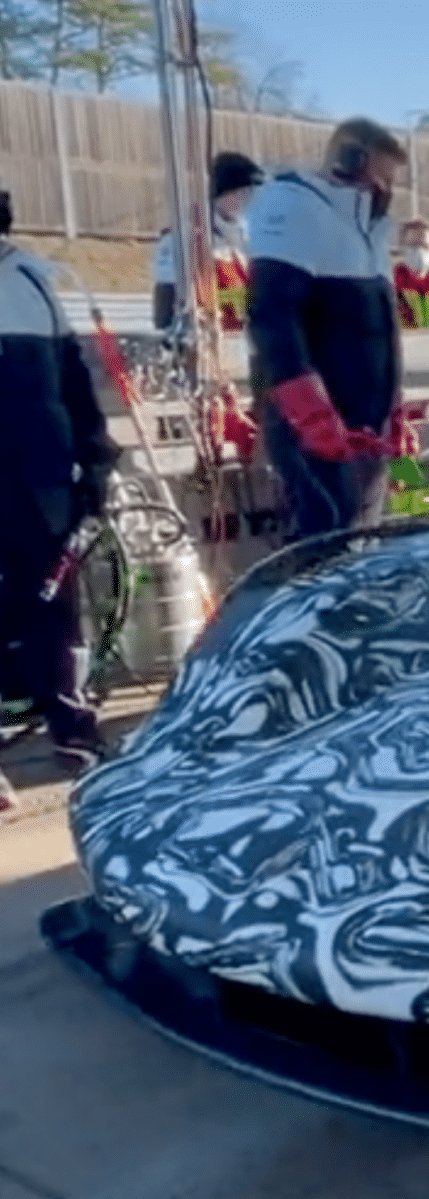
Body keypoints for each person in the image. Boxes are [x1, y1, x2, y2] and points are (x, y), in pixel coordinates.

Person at [0, 175, 118, 787]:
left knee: (55, 610)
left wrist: (96, 462)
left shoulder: (31, 283)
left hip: (42, 483)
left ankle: (72, 727)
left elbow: (74, 386)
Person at [247, 117, 409, 544]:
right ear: (350, 161)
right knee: (323, 541)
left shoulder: (367, 228)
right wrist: (308, 411)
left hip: (364, 424)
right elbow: (271, 314)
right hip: (320, 426)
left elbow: (378, 326)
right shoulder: (297, 207)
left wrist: (392, 404)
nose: (386, 190)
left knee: (360, 538)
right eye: (382, 176)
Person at [152, 150, 263, 333]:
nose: (252, 200)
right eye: (247, 192)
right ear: (229, 193)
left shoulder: (245, 237)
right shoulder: (183, 238)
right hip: (206, 345)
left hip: (241, 344)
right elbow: (166, 312)